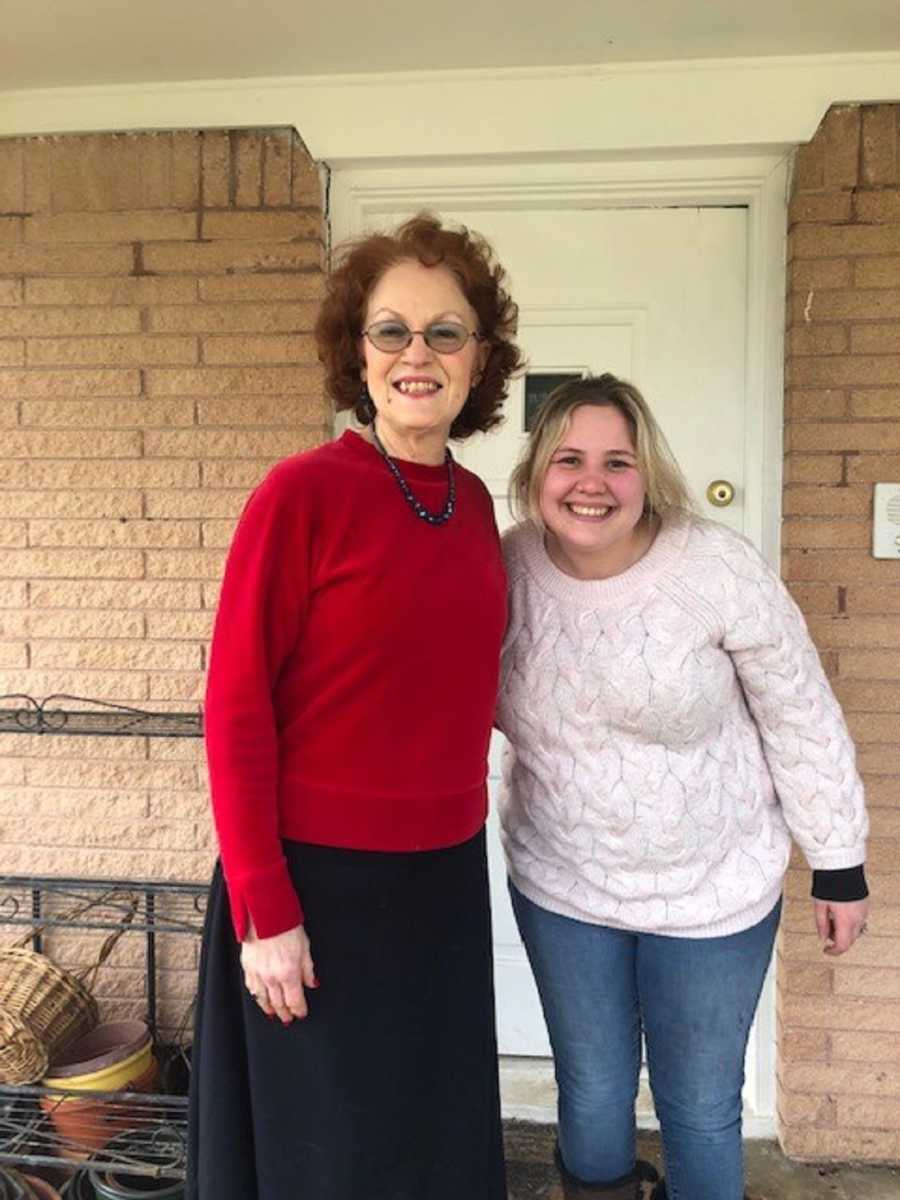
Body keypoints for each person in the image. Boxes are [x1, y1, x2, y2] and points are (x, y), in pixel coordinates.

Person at [188, 214, 523, 1200]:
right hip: (316, 892)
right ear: (357, 352)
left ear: (481, 359)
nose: (418, 355)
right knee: (326, 1159)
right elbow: (236, 709)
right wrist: (265, 909)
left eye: (445, 332)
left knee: (431, 1146)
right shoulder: (300, 495)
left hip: (443, 888)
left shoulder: (472, 509)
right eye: (392, 331)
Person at [496, 374, 869, 1200]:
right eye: (569, 460)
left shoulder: (715, 567)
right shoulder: (504, 567)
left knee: (698, 1107)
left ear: (646, 473)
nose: (591, 483)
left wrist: (838, 860)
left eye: (617, 462)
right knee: (591, 1091)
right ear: (535, 474)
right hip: (564, 883)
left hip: (713, 890)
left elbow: (799, 714)